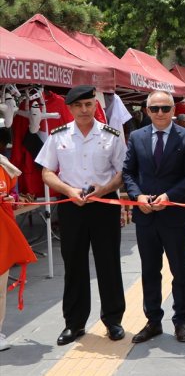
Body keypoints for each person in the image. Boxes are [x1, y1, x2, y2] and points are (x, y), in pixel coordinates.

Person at [35, 85, 127, 346]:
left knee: (108, 263)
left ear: (96, 105)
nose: (84, 110)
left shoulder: (111, 135)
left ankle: (113, 320)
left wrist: (106, 188)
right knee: (74, 265)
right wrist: (68, 189)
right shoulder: (58, 135)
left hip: (104, 203)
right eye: (78, 106)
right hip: (71, 205)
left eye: (88, 104)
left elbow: (122, 171)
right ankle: (74, 324)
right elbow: (47, 172)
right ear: (70, 108)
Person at [123, 90, 185, 344]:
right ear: (146, 111)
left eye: (165, 108)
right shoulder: (136, 136)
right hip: (146, 216)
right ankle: (153, 320)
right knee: (149, 271)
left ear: (173, 110)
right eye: (154, 109)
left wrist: (169, 195)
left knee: (179, 270)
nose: (159, 113)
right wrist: (138, 197)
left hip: (175, 215)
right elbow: (128, 173)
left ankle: (181, 321)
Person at [0, 154, 37, 351]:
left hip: (2, 234)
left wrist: (9, 198)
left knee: (0, 287)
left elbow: (14, 195)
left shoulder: (5, 166)